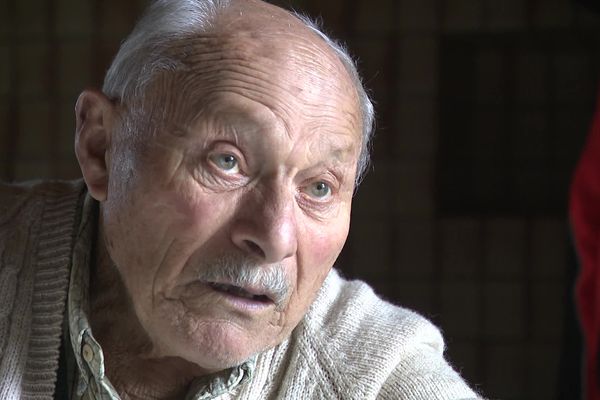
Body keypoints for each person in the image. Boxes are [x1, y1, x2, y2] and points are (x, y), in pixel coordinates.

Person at [0, 0, 481, 399]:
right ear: (101, 148)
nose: (274, 236)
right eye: (227, 161)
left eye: (319, 188)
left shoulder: (373, 374)